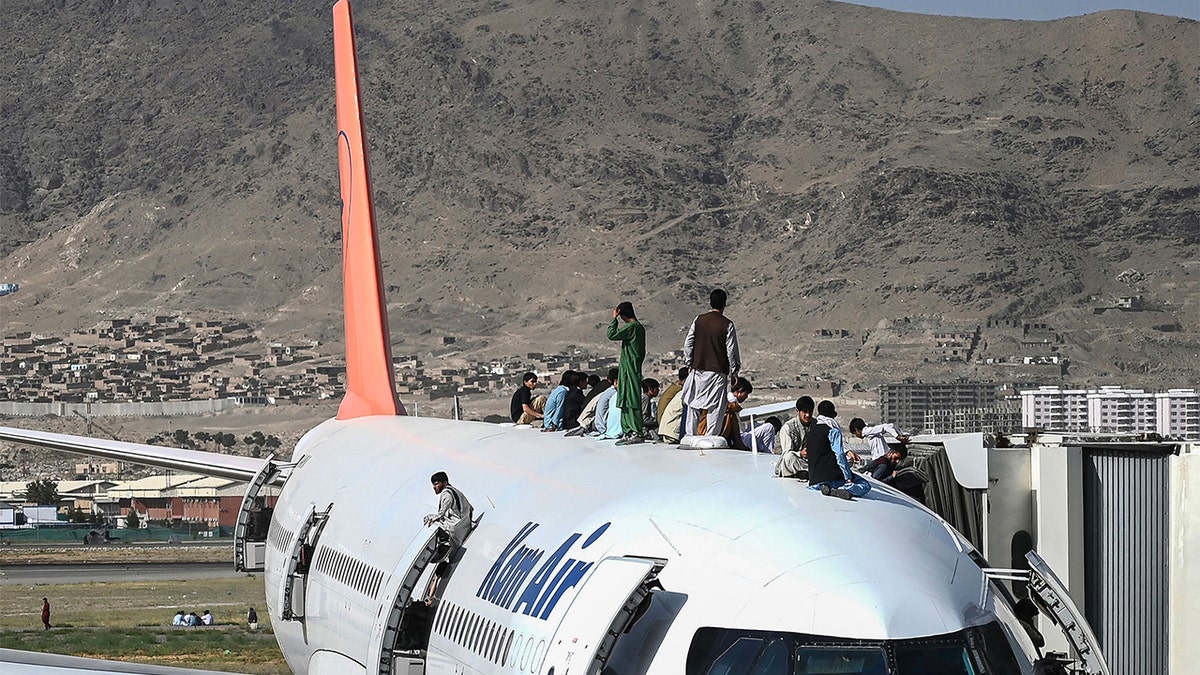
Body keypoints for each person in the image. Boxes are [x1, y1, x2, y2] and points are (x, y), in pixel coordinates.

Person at [681, 289, 741, 437]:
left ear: (710, 302)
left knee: (693, 404)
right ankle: (711, 438)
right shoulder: (727, 324)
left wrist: (689, 362)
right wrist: (734, 371)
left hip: (697, 370)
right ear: (724, 304)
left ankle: (689, 437)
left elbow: (688, 343)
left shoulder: (699, 320)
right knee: (715, 408)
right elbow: (731, 351)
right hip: (717, 373)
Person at [807, 400, 871, 500]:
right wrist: (848, 477)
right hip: (832, 478)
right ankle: (842, 488)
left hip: (814, 481)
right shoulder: (833, 431)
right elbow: (840, 455)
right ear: (833, 415)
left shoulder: (811, 433)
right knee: (865, 485)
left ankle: (828, 489)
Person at [607, 301, 647, 445]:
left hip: (630, 369)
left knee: (631, 400)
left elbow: (611, 335)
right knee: (625, 400)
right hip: (628, 368)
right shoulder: (639, 328)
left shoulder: (632, 327)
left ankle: (635, 431)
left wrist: (613, 319)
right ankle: (628, 431)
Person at [423, 471, 474, 557]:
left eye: (436, 484)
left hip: (457, 525)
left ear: (445, 483)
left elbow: (442, 511)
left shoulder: (446, 493)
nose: (434, 487)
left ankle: (444, 544)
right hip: (465, 520)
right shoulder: (453, 490)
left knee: (428, 519)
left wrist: (435, 519)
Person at [775, 397, 814, 478]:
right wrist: (800, 454)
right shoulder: (788, 427)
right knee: (789, 458)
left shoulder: (816, 425)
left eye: (810, 412)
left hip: (810, 461)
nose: (808, 415)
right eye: (805, 412)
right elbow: (787, 453)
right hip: (794, 462)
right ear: (798, 411)